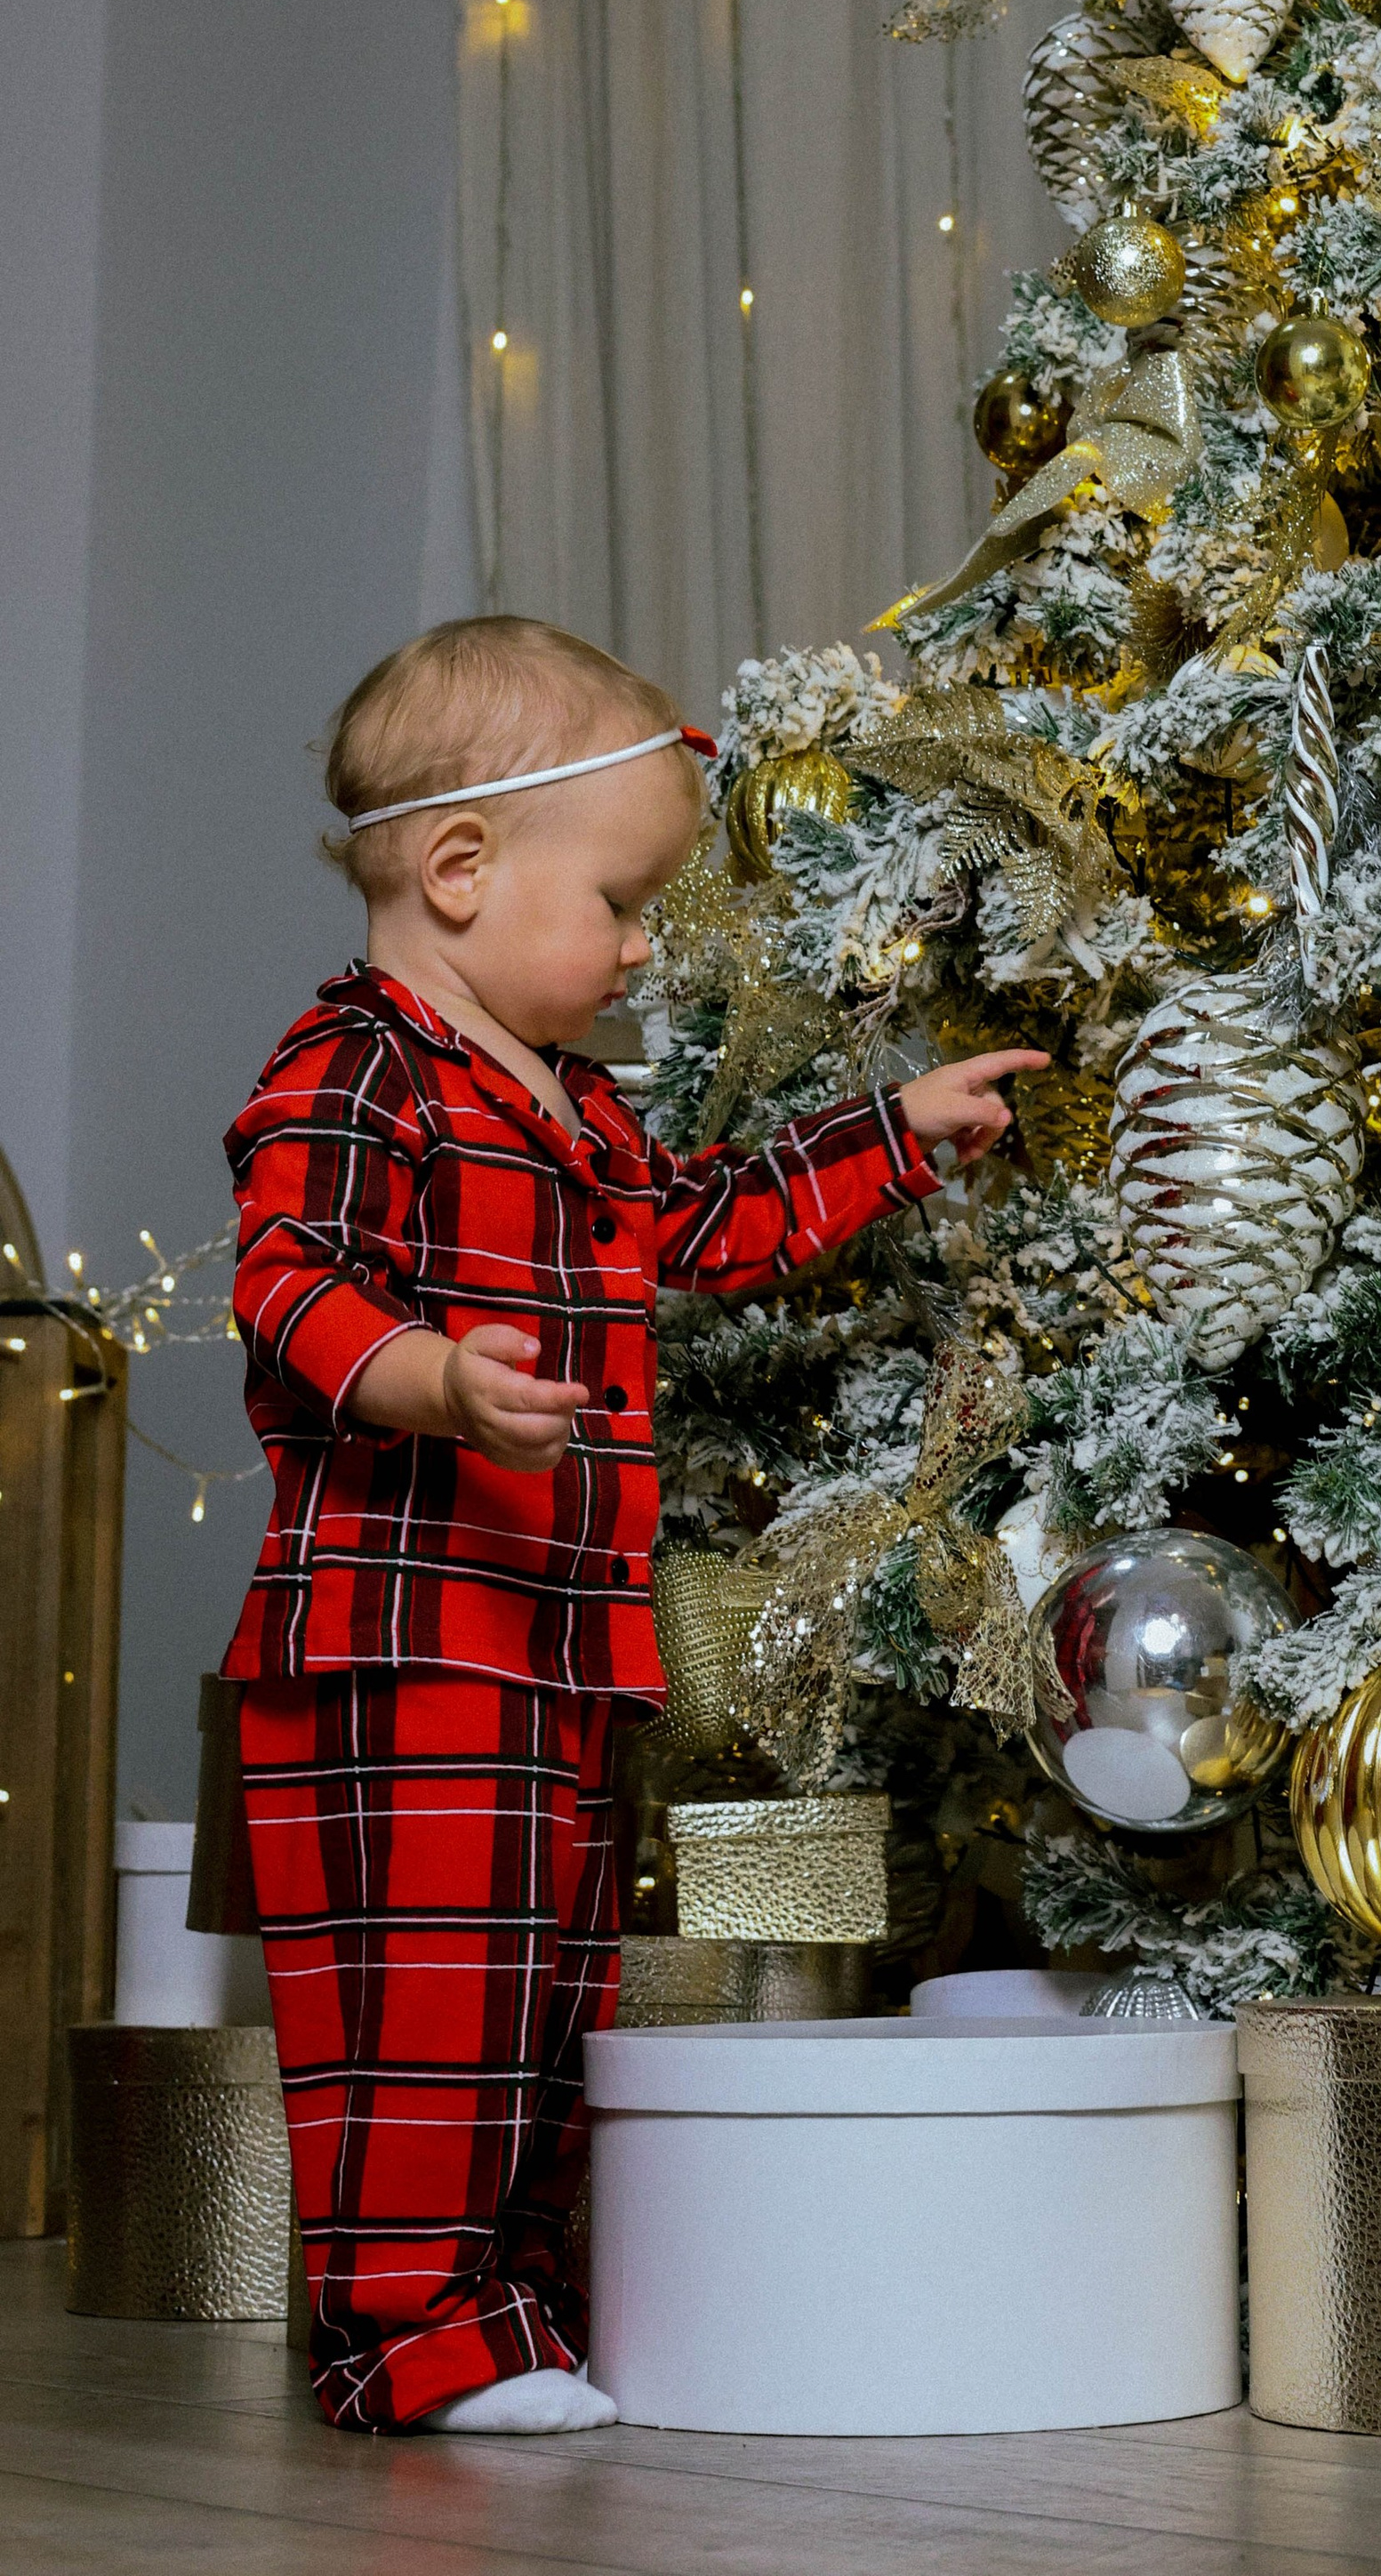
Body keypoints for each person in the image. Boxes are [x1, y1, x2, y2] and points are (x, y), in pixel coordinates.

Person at [220, 616, 1044, 2435]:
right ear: (459, 871)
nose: (645, 947)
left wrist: (892, 1133)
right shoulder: (356, 1070)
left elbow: (706, 1224)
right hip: (403, 1636)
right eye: (620, 902)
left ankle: (509, 2308)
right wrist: (433, 1379)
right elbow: (290, 1282)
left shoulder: (571, 1104)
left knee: (541, 1994)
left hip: (558, 1643)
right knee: (424, 2006)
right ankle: (412, 2337)